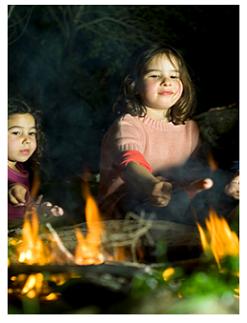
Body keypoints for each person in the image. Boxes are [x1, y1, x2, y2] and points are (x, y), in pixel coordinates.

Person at [98, 44, 237, 224]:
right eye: (155, 75)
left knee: (218, 200)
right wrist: (151, 186)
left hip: (176, 204)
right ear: (134, 85)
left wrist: (225, 184)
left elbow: (196, 172)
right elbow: (130, 163)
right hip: (125, 209)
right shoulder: (128, 124)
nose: (166, 81)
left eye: (173, 76)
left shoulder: (190, 129)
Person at [8, 98, 63, 228]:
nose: (27, 140)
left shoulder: (23, 170)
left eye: (31, 133)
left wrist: (40, 210)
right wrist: (10, 187)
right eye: (16, 132)